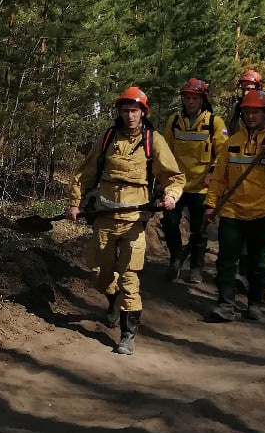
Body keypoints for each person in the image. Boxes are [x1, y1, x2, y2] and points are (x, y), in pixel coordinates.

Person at [67, 85, 184, 356]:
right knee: (99, 274)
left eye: (134, 111)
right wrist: (75, 202)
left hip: (134, 221)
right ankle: (113, 299)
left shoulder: (153, 141)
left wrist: (171, 196)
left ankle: (127, 335)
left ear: (143, 113)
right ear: (119, 112)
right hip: (104, 217)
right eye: (125, 110)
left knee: (130, 278)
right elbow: (86, 171)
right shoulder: (108, 137)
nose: (130, 116)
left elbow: (174, 177)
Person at [203, 88, 265, 323]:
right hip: (232, 211)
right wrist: (210, 204)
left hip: (264, 211)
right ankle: (225, 304)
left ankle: (255, 301)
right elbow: (219, 178)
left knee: (258, 262)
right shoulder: (232, 142)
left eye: (255, 112)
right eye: (247, 112)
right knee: (226, 259)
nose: (250, 116)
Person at [161, 76, 228, 284]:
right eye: (187, 98)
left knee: (199, 230)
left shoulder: (213, 123)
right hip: (177, 186)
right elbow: (165, 151)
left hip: (201, 187)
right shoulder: (174, 122)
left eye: (194, 98)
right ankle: (175, 257)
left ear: (202, 100)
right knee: (170, 223)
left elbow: (223, 153)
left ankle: (196, 267)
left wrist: (213, 173)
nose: (190, 102)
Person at [225, 68, 264, 134]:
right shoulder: (236, 108)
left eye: (249, 89)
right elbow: (225, 129)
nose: (245, 93)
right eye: (243, 89)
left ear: (259, 89)